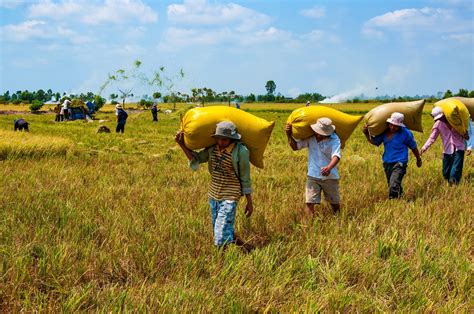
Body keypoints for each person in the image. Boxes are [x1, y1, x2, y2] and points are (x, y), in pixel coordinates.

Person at [175, 121, 254, 249]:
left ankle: (223, 263)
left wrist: (249, 202)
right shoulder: (213, 149)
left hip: (230, 196)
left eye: (224, 139)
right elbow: (196, 158)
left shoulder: (241, 151)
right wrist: (181, 144)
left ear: (231, 138)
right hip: (213, 195)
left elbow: (245, 178)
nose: (221, 142)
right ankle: (246, 248)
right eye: (218, 139)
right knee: (222, 229)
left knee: (219, 235)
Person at [285, 118, 342, 216]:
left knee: (334, 203)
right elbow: (295, 147)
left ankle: (338, 221)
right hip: (313, 175)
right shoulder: (311, 138)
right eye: (317, 132)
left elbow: (336, 156)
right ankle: (309, 227)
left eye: (321, 133)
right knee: (309, 202)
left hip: (330, 176)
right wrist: (288, 134)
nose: (318, 134)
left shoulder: (335, 139)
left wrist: (329, 168)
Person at [363, 112, 422, 199]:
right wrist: (366, 134)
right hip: (387, 162)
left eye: (396, 126)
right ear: (389, 123)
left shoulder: (406, 133)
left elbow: (413, 147)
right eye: (391, 125)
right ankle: (400, 199)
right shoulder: (384, 132)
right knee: (392, 184)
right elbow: (376, 142)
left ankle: (393, 202)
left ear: (400, 126)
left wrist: (418, 159)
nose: (393, 127)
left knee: (394, 185)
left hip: (400, 162)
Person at [420, 107, 468, 184]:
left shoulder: (456, 122)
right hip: (447, 150)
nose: (441, 119)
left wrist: (466, 135)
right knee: (446, 172)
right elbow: (432, 137)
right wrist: (424, 147)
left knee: (455, 170)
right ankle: (450, 181)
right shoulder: (438, 124)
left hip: (459, 148)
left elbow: (466, 133)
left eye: (442, 117)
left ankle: (453, 186)